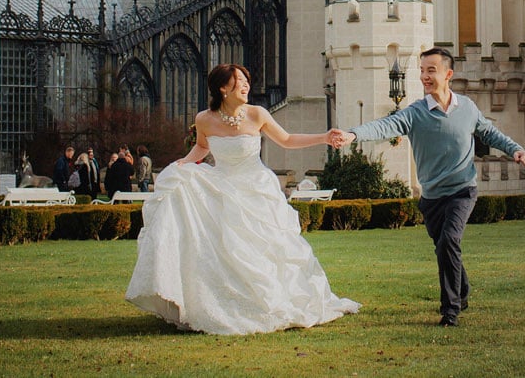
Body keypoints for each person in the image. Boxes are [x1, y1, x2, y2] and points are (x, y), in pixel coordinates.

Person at [126, 62, 359, 334]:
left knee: (268, 250)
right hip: (222, 188)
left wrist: (324, 137)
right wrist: (182, 165)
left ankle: (274, 301)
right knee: (224, 249)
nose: (246, 85)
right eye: (239, 81)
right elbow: (202, 147)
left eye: (246, 80)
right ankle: (220, 302)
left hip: (257, 190)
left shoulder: (257, 114)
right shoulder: (204, 119)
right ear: (223, 87)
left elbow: (286, 139)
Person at [343, 47, 525, 327]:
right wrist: (353, 134)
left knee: (449, 241)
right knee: (444, 247)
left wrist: (515, 150)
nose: (424, 76)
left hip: (462, 190)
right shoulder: (415, 113)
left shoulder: (467, 108)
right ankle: (462, 291)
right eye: (421, 70)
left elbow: (489, 132)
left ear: (448, 74)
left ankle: (450, 311)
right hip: (431, 198)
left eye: (431, 70)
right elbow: (386, 126)